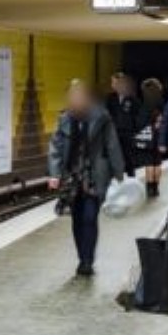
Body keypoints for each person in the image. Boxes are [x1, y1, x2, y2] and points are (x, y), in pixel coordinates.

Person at [48, 80, 126, 276]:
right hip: (72, 177)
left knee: (90, 218)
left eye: (79, 96)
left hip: (94, 175)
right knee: (76, 219)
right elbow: (56, 147)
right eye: (72, 96)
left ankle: (88, 260)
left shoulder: (101, 117)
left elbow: (112, 144)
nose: (76, 100)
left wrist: (119, 172)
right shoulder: (65, 119)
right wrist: (54, 174)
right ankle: (82, 257)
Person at [136, 78, 166, 197]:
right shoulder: (161, 103)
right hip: (158, 136)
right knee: (157, 163)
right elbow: (164, 119)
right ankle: (156, 188)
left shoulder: (144, 104)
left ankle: (149, 189)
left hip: (147, 136)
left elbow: (140, 122)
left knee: (149, 163)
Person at [106, 72, 140, 176]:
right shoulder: (110, 98)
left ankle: (131, 178)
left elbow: (138, 115)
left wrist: (134, 129)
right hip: (113, 133)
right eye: (112, 82)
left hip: (128, 133)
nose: (112, 85)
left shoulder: (132, 99)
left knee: (128, 157)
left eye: (114, 82)